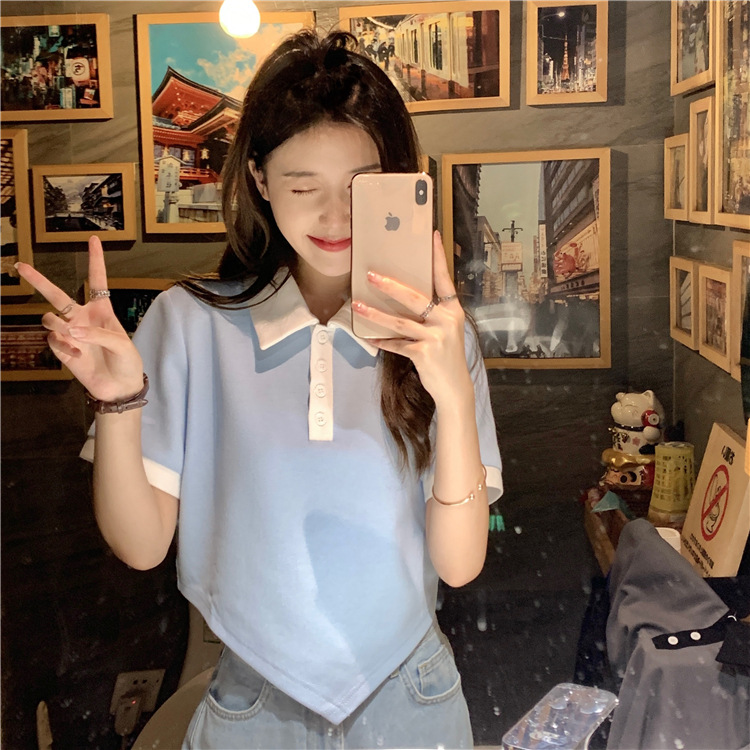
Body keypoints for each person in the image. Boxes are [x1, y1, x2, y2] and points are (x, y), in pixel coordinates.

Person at [16, 30, 502, 749]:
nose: (334, 217)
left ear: (401, 182)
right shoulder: (190, 323)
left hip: (411, 692)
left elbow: (460, 566)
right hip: (250, 696)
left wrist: (454, 398)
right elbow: (142, 546)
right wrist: (118, 403)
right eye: (304, 187)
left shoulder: (437, 338)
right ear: (260, 181)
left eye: (361, 188)